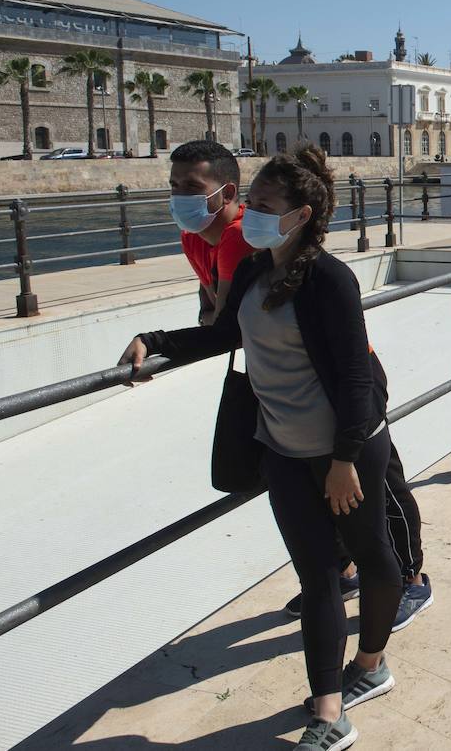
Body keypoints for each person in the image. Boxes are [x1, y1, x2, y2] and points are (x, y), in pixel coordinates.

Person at [119, 148, 403, 751]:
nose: (252, 216)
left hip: (346, 451)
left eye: (266, 208)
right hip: (281, 448)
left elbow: (356, 379)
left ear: (300, 215)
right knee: (317, 572)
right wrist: (155, 339)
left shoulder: (330, 280)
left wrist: (345, 460)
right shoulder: (251, 271)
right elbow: (225, 333)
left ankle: (372, 662)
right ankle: (329, 711)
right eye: (253, 205)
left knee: (372, 555)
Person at [169, 140, 256, 325]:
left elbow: (222, 323)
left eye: (192, 186)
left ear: (227, 194)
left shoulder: (241, 234)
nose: (179, 195)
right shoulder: (192, 236)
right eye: (174, 186)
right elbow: (209, 309)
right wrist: (210, 317)